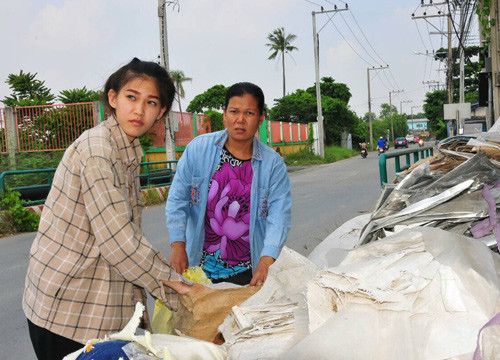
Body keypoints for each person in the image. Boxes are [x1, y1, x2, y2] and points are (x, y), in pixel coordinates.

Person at [23, 58, 203, 360]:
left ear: (160, 113)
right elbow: (120, 243)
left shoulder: (127, 150)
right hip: (68, 313)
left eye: (151, 102)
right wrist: (182, 290)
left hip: (95, 307)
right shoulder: (98, 150)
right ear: (113, 98)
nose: (139, 110)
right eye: (131, 97)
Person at [166, 82, 292, 287]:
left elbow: (279, 215)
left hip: (250, 272)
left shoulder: (273, 165)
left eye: (249, 113)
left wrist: (267, 259)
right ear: (224, 113)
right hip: (199, 268)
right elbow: (178, 199)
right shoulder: (198, 149)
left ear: (260, 117)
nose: (240, 120)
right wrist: (178, 244)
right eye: (234, 111)